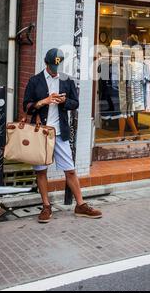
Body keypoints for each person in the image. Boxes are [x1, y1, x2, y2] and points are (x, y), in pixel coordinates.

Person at [23, 48, 102, 223]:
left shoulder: (67, 81)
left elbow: (75, 103)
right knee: (41, 171)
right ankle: (46, 206)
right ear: (46, 63)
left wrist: (64, 101)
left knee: (70, 170)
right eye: (52, 66)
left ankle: (80, 204)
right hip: (41, 134)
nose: (54, 70)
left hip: (60, 133)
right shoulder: (35, 81)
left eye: (57, 66)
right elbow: (26, 106)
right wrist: (43, 102)